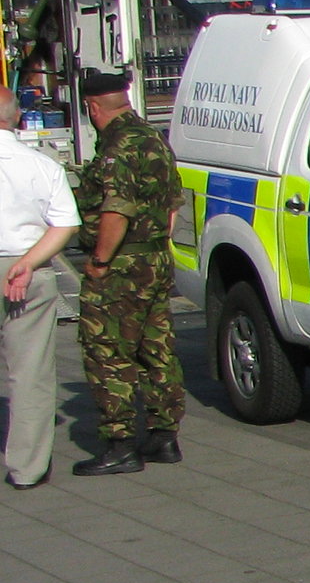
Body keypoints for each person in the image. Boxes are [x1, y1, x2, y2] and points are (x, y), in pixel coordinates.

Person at [71, 70, 183, 477]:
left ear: (92, 106)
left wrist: (101, 261)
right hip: (155, 258)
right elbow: (173, 204)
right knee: (157, 347)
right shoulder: (153, 138)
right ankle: (163, 434)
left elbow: (116, 210)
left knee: (108, 350)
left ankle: (119, 444)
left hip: (121, 265)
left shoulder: (117, 148)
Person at [0, 94, 78, 489]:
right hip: (24, 269)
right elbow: (64, 224)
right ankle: (27, 468)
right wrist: (28, 263)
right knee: (29, 371)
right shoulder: (42, 165)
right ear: (18, 120)